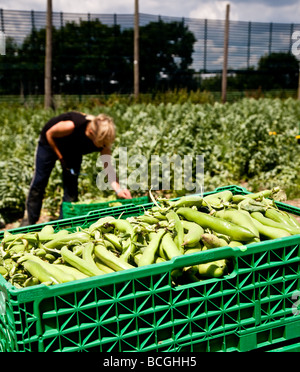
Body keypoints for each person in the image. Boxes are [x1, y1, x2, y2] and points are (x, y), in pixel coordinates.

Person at [22, 111, 132, 225]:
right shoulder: (72, 125)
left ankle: (63, 223)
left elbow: (108, 167)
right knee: (40, 181)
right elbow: (49, 134)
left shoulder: (102, 140)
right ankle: (29, 220)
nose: (103, 145)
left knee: (71, 188)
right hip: (50, 144)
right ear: (90, 133)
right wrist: (61, 157)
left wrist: (118, 189)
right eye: (101, 142)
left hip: (73, 150)